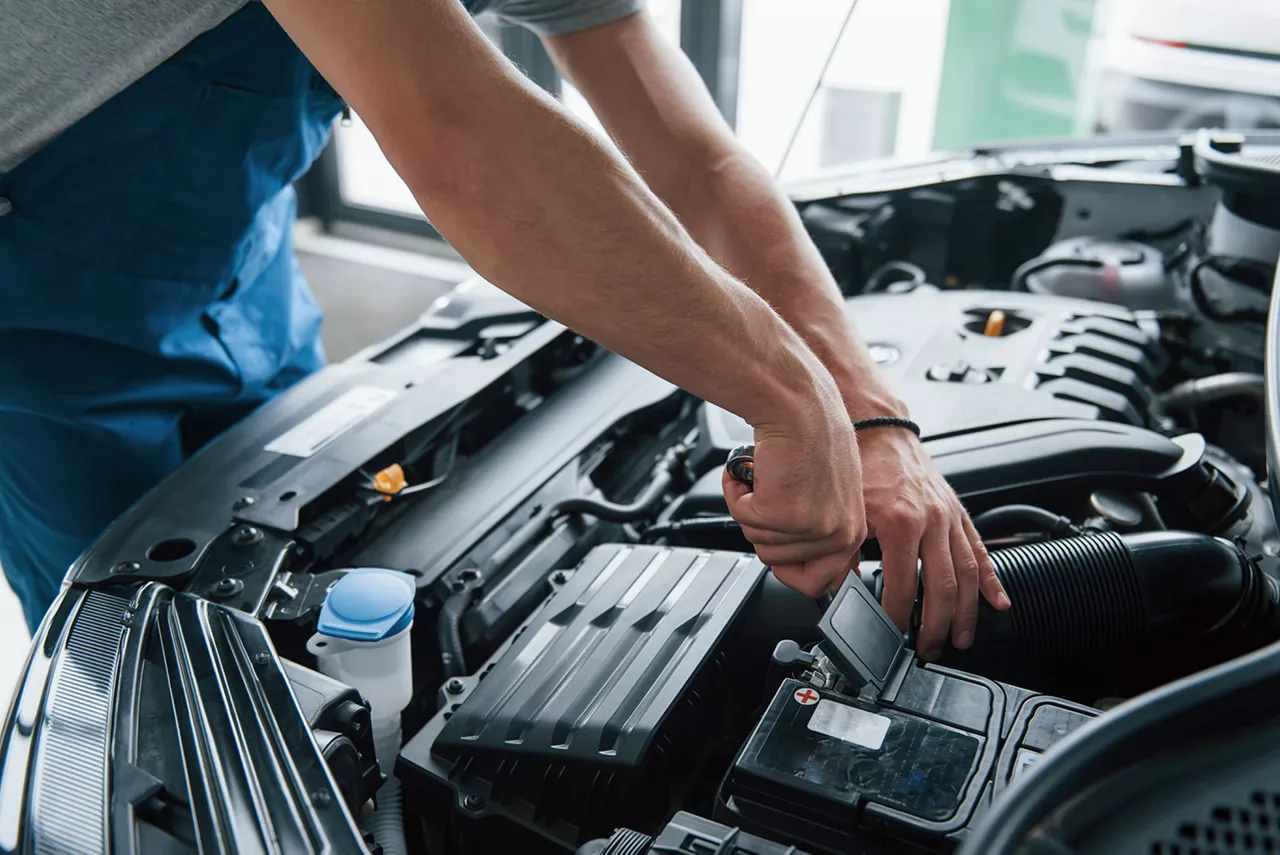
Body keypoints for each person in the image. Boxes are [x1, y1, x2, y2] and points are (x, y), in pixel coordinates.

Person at [0, 0, 1008, 654]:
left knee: (291, 550)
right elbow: (459, 135)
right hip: (31, 308)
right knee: (130, 645)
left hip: (232, 256)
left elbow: (694, 159)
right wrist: (792, 398)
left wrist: (867, 412)